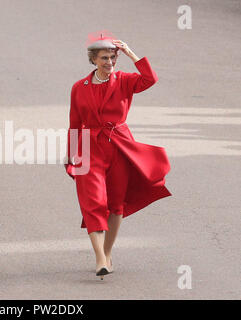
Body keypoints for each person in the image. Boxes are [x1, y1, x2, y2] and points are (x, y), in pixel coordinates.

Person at [65, 31, 171, 279]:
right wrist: (71, 156)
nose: (110, 62)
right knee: (93, 202)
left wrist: (131, 53)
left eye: (113, 57)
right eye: (104, 58)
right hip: (89, 148)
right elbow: (74, 123)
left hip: (120, 147)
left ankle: (108, 251)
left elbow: (150, 79)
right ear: (93, 59)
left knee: (115, 204)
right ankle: (100, 258)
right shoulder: (79, 88)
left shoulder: (124, 80)